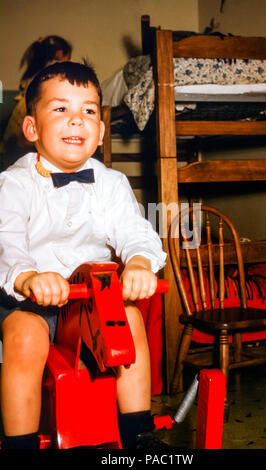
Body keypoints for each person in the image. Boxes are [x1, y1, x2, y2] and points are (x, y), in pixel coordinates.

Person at [0, 61, 166, 450]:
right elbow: (6, 243)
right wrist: (27, 277)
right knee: (24, 338)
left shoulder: (112, 183)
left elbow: (134, 231)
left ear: (100, 130)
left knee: (128, 317)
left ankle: (138, 432)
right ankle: (20, 443)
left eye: (88, 111)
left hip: (90, 301)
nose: (76, 120)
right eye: (60, 109)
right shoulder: (12, 183)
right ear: (31, 128)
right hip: (27, 302)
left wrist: (140, 262)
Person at [2, 35, 72, 166]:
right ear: (59, 55)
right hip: (28, 130)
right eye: (67, 60)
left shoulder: (36, 74)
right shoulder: (48, 77)